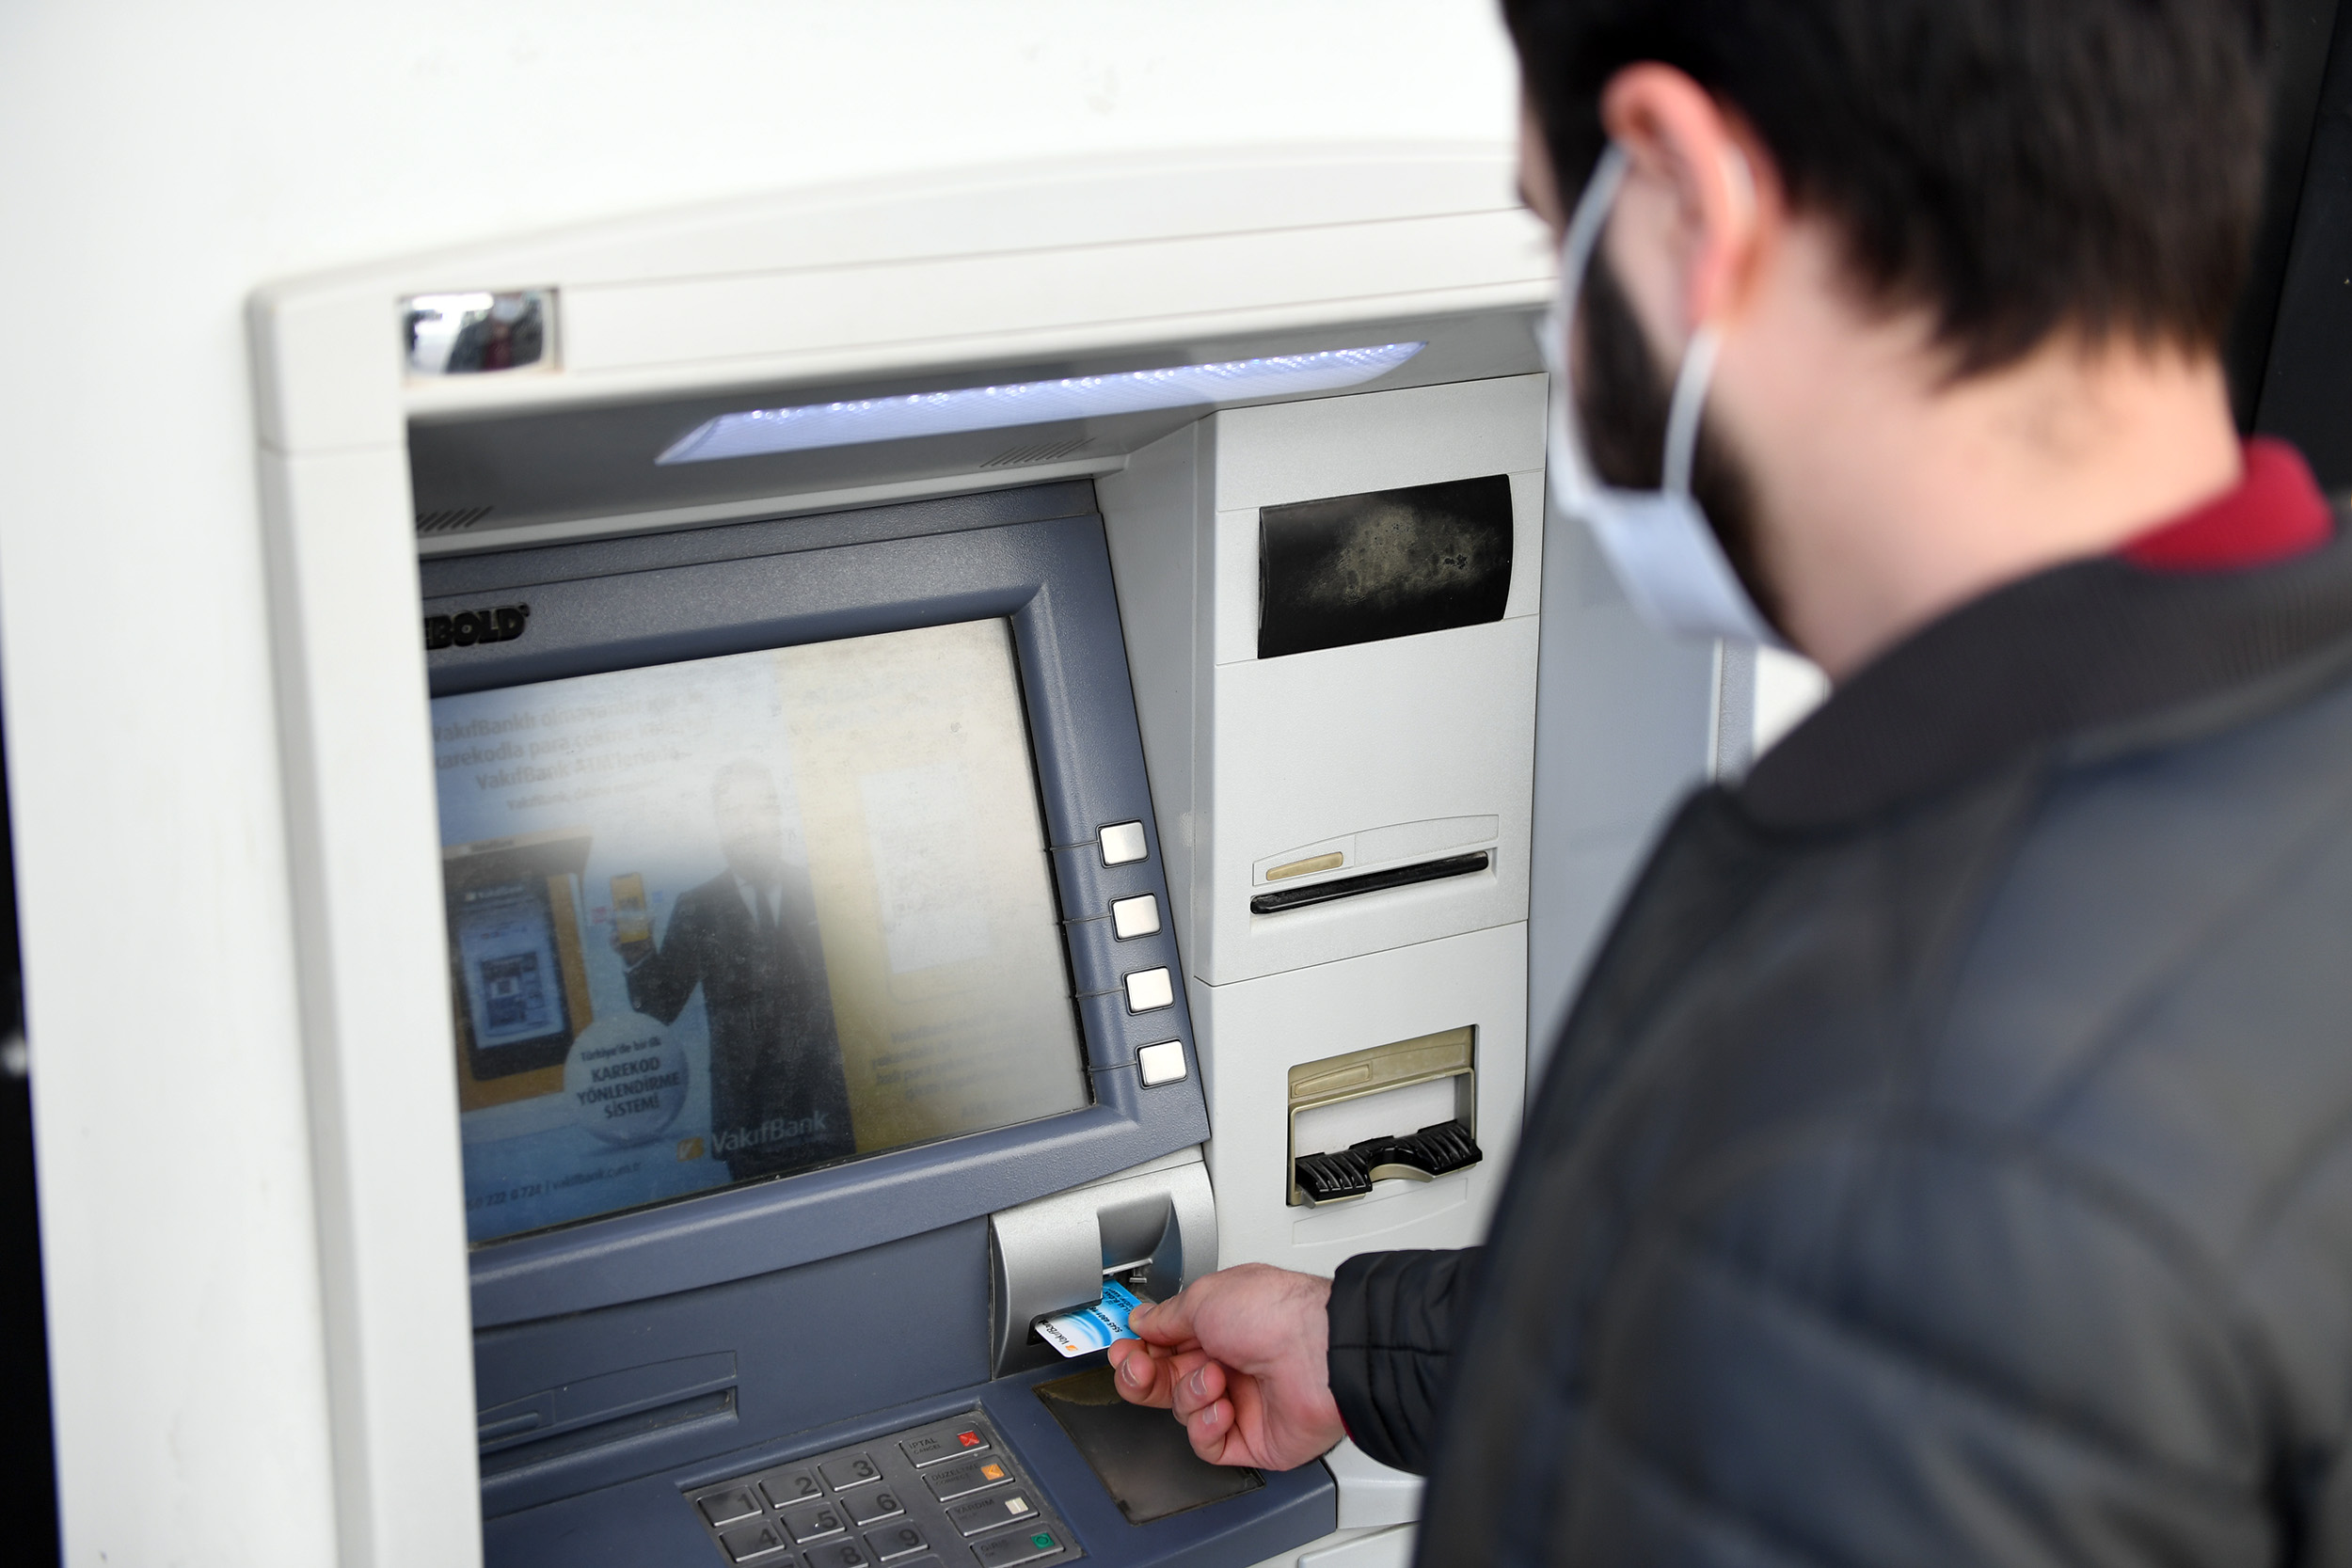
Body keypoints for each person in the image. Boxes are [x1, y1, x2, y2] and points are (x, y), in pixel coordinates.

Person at [1108, 2, 2352, 1561]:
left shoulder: (1874, 1074)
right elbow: (1884, 1347)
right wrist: (1362, 1341)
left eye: (1555, 240)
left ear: (1688, 198)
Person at [623, 760, 856, 1180]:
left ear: (778, 814)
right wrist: (637, 956)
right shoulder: (696, 906)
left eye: (758, 807)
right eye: (732, 811)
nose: (746, 824)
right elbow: (661, 1007)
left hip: (830, 1108)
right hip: (750, 1122)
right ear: (718, 823)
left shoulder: (823, 888)